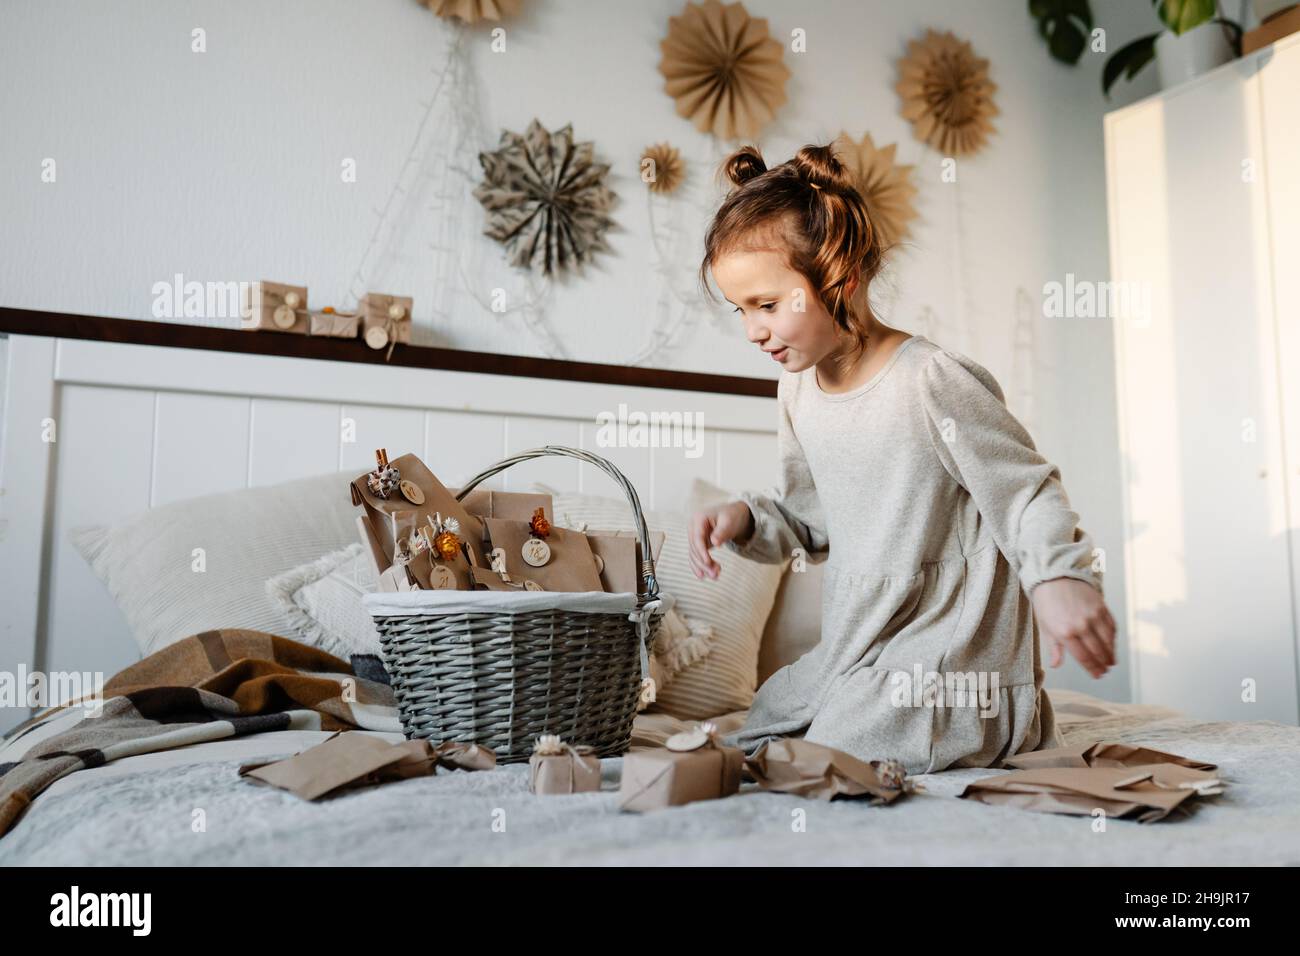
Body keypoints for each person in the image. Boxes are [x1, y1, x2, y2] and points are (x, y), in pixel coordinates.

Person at [687, 143, 1116, 773]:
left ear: (840, 280)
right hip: (857, 646)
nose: (752, 330)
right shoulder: (797, 388)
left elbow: (1025, 492)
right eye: (741, 310)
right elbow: (810, 520)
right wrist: (748, 521)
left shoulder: (930, 380)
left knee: (838, 746)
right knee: (769, 715)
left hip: (950, 660)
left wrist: (1057, 578)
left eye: (768, 305)